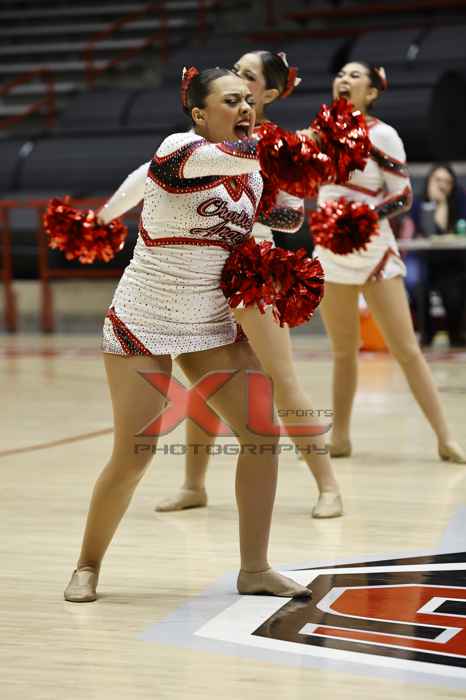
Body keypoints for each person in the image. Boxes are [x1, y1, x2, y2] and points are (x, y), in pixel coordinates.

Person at [64, 67, 316, 604]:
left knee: (262, 434)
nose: (245, 108)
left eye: (249, 100)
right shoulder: (179, 151)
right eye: (231, 100)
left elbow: (289, 220)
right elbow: (259, 155)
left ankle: (255, 569)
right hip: (144, 319)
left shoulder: (250, 174)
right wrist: (305, 147)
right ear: (200, 114)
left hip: (209, 322)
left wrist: (295, 180)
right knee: (135, 453)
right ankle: (87, 564)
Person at [97, 51, 343, 520]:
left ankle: (327, 485)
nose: (240, 82)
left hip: (251, 269)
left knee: (280, 378)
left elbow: (290, 220)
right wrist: (102, 218)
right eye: (235, 78)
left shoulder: (284, 148)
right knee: (207, 378)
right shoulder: (198, 143)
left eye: (249, 78)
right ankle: (194, 484)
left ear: (269, 93)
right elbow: (146, 176)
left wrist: (265, 198)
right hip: (201, 273)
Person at [311, 61, 466, 463]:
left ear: (371, 92)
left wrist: (362, 218)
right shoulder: (320, 133)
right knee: (343, 351)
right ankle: (340, 438)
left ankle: (445, 437)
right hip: (330, 251)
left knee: (407, 350)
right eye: (340, 75)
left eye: (354, 76)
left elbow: (403, 197)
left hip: (373, 250)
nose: (344, 80)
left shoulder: (383, 134)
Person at [400, 163, 466, 347]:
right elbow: (419, 232)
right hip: (422, 257)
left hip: (450, 259)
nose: (442, 185)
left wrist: (443, 204)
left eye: (447, 181)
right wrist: (432, 206)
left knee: (454, 289)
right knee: (416, 283)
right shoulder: (418, 202)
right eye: (438, 180)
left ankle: (456, 333)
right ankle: (426, 333)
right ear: (429, 180)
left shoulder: (459, 201)